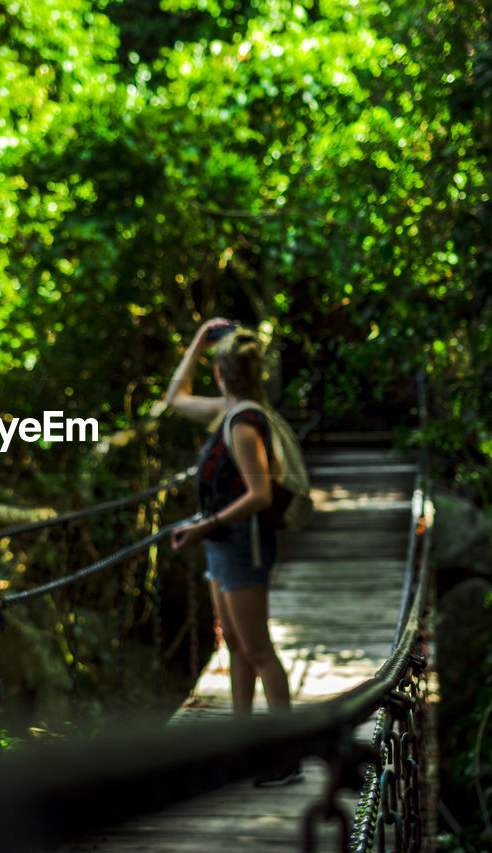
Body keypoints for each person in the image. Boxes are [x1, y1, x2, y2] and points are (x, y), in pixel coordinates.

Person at [166, 318, 303, 787]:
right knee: (237, 648)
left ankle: (286, 757)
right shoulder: (228, 410)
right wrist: (200, 339)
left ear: (220, 374)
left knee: (259, 649)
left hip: (244, 545)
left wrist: (206, 525)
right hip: (222, 546)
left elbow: (260, 496)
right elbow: (174, 399)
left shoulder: (243, 422)